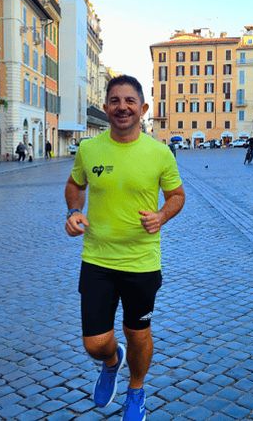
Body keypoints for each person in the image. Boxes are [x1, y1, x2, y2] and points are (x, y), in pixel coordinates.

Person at [64, 75, 185, 421]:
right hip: (97, 259)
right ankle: (111, 360)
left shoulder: (160, 153)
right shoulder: (89, 149)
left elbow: (177, 196)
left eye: (130, 101)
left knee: (137, 333)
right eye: (115, 100)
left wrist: (162, 215)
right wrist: (74, 211)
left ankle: (136, 390)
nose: (122, 107)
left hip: (141, 263)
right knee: (94, 343)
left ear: (143, 108)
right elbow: (75, 186)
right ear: (105, 108)